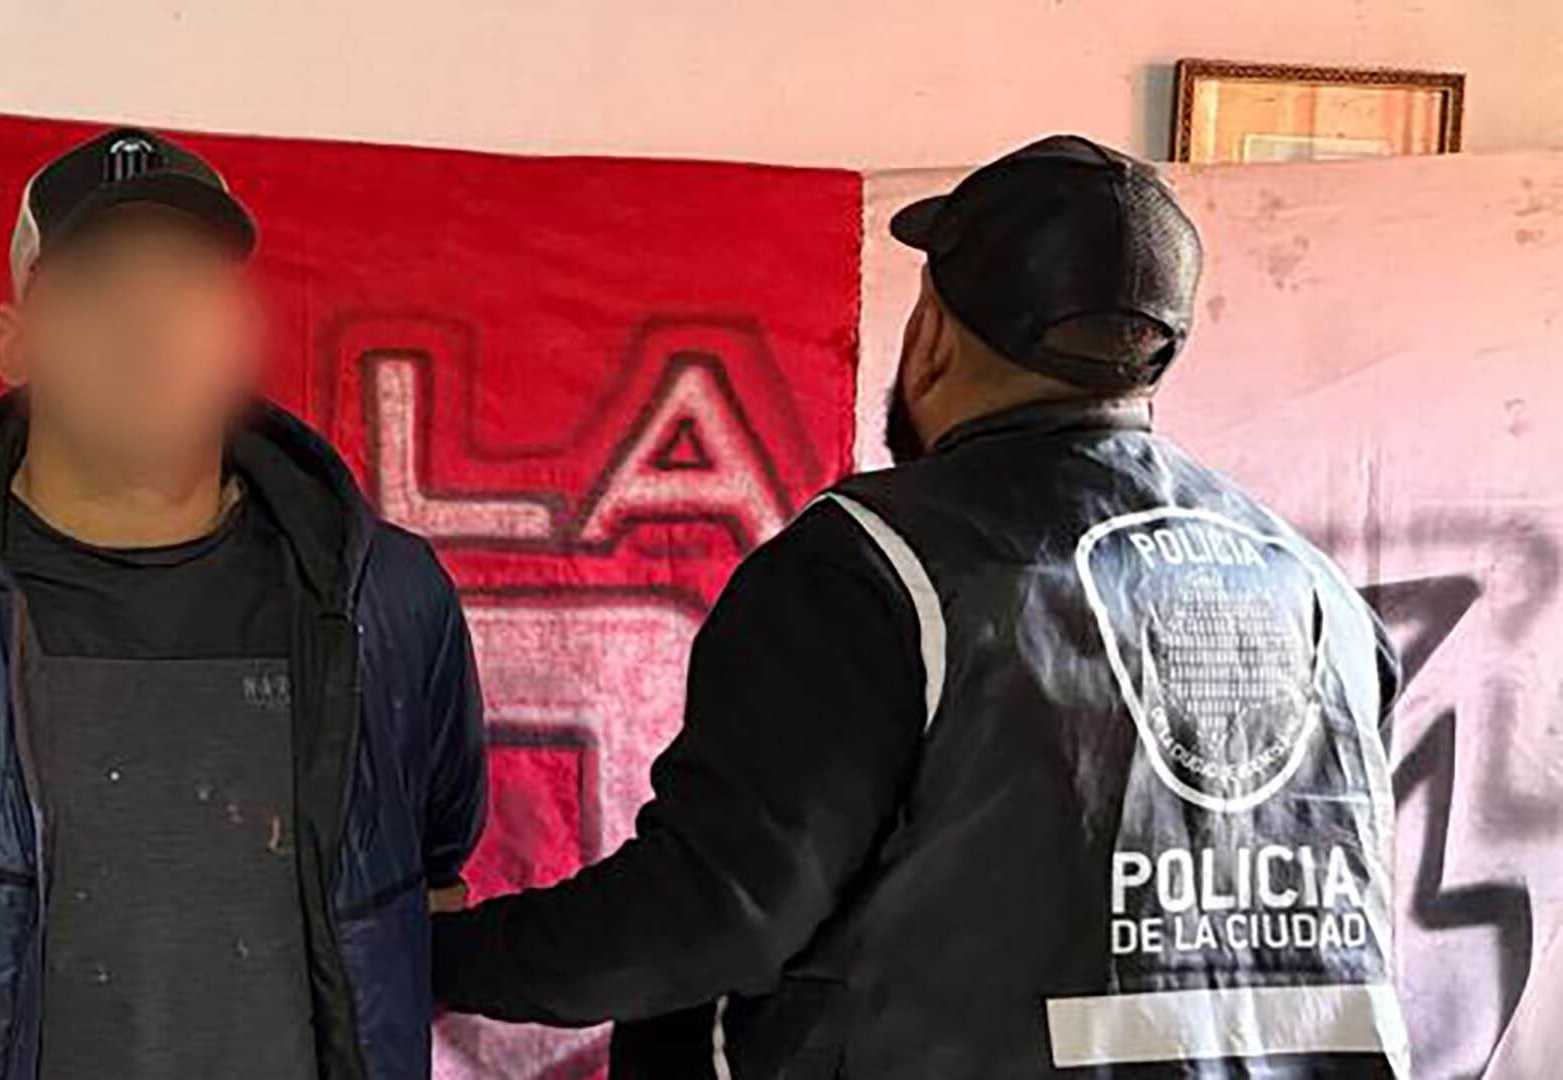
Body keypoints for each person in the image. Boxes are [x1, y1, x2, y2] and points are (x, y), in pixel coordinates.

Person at [433, 135, 1408, 1078]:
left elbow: (712, 916)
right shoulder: (1314, 590)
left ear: (931, 334)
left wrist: (436, 952)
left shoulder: (871, 567)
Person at [0, 127, 485, 1080]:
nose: (148, 327)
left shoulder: (383, 597)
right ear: (13, 342)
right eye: (97, 288)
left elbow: (432, 863)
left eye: (187, 287)